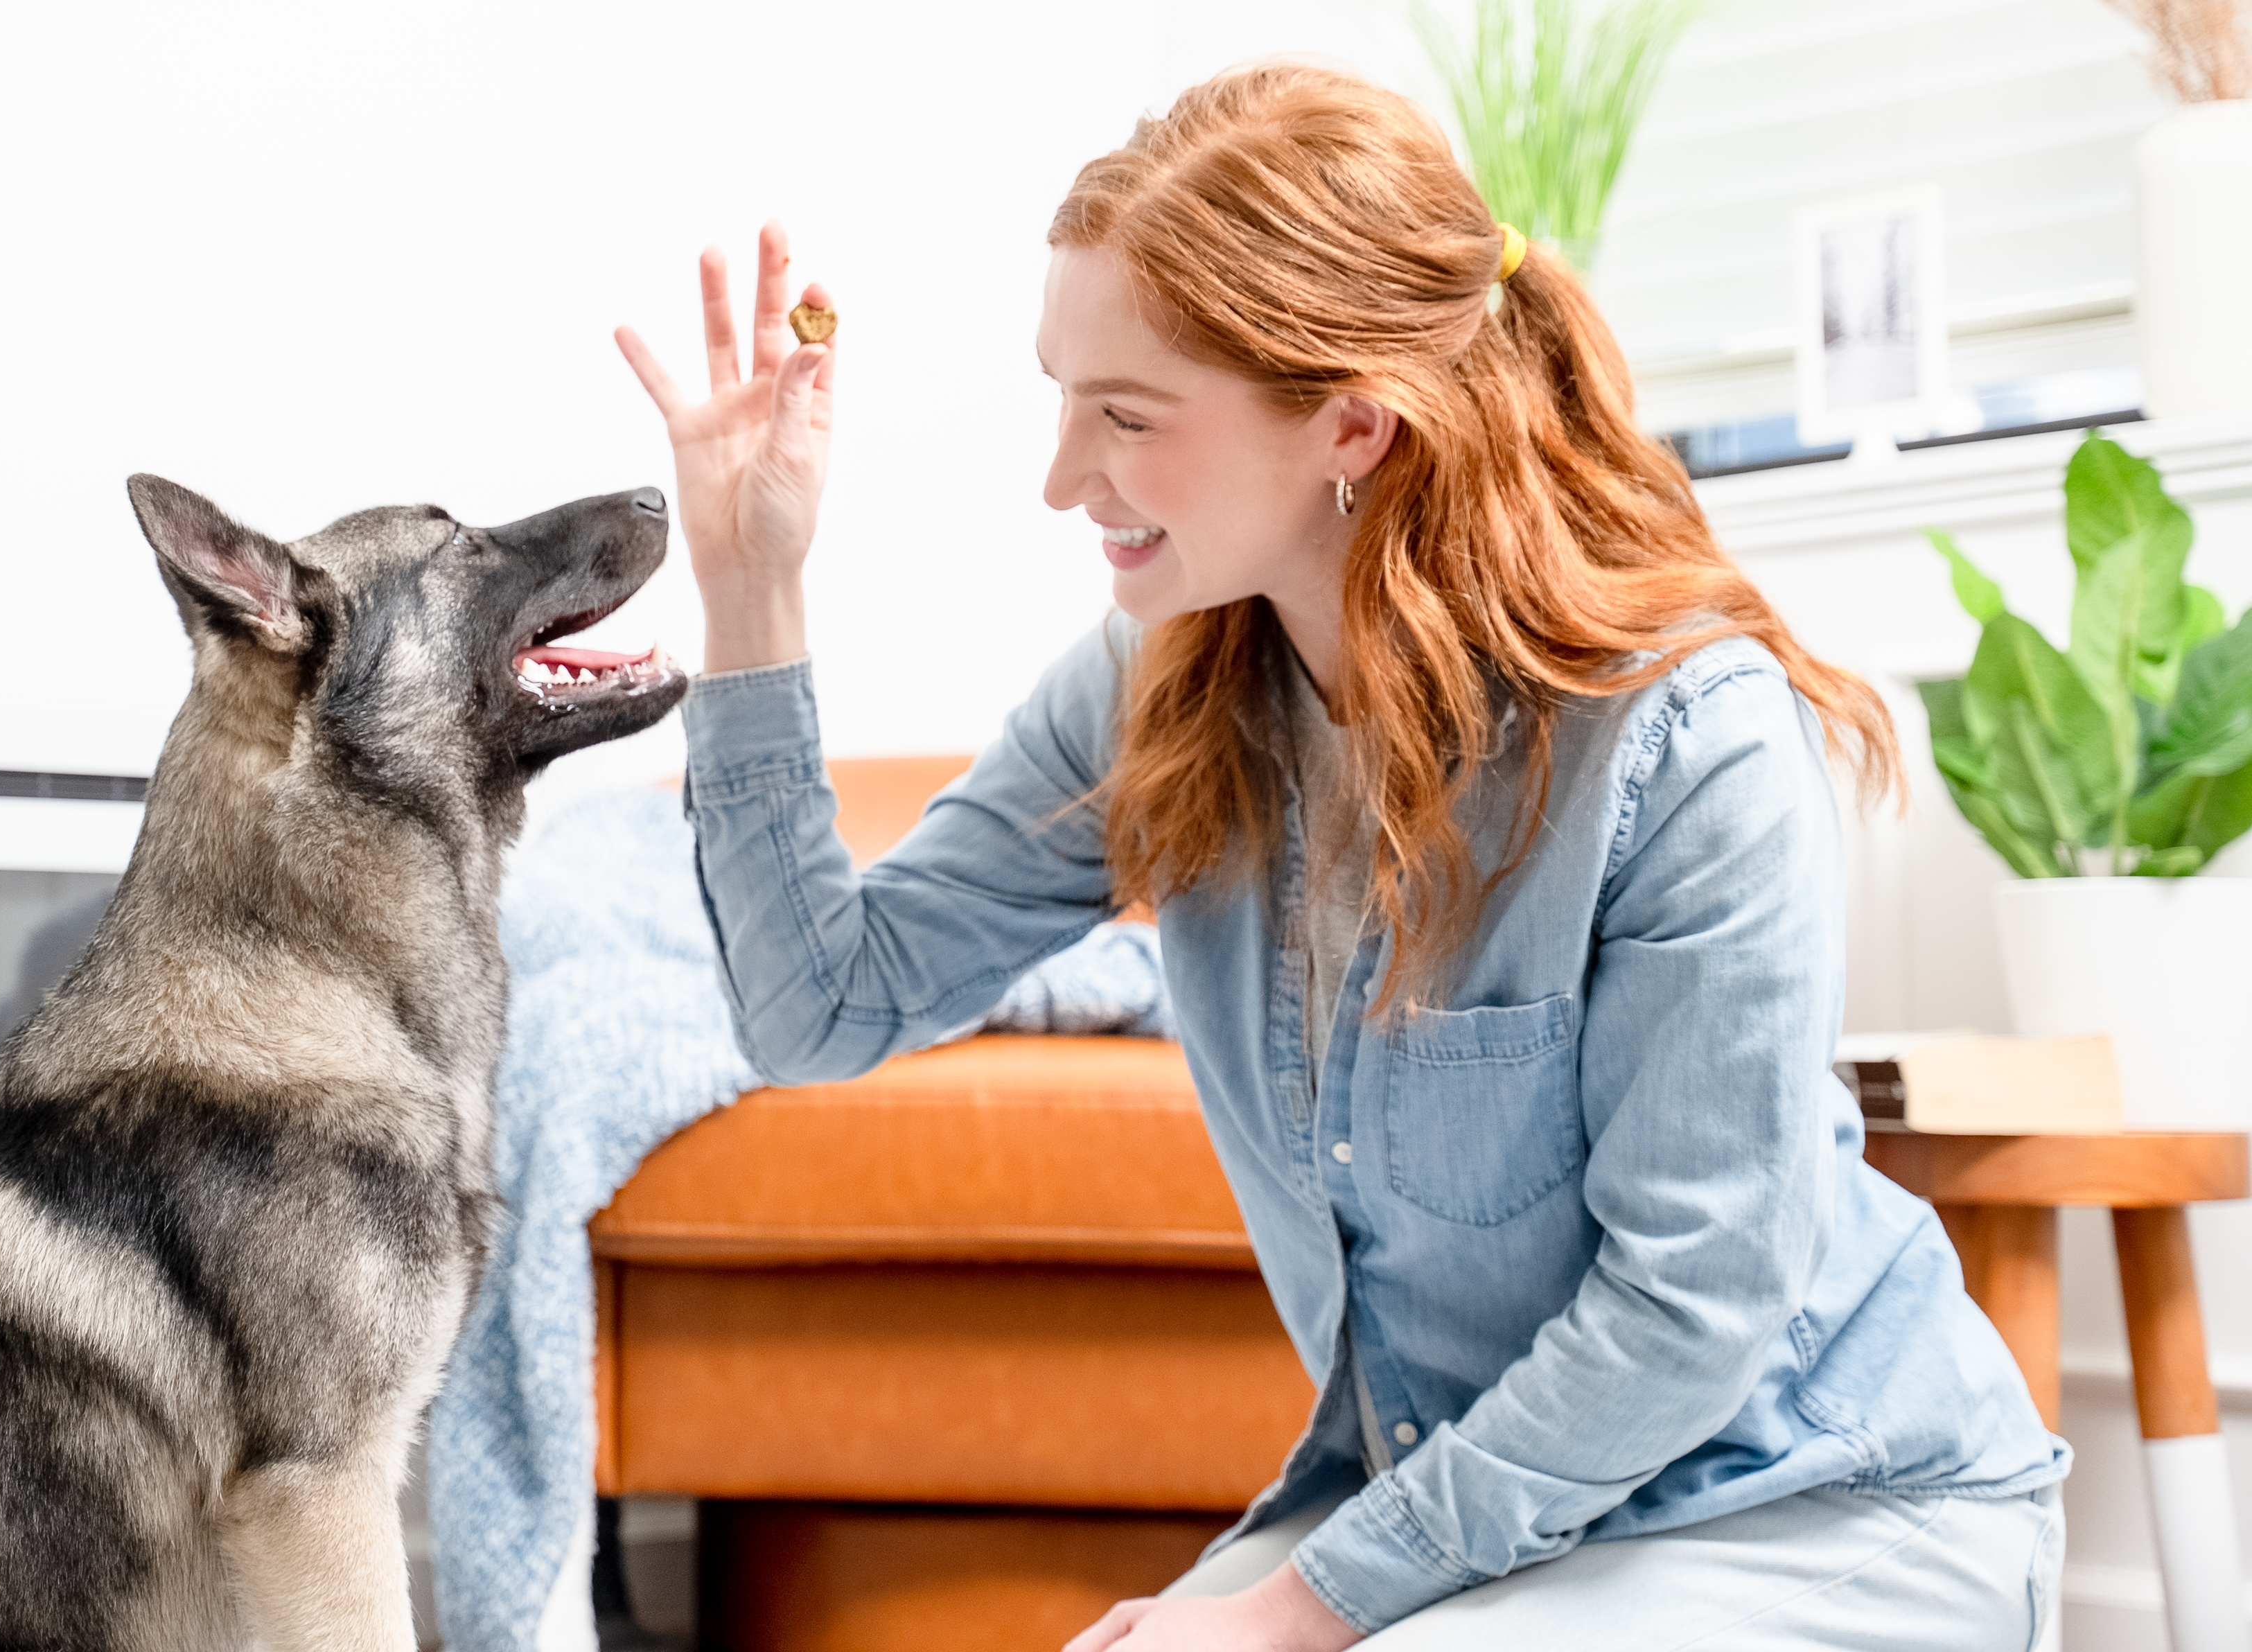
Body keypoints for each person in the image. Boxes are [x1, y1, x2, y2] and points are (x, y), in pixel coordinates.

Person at [615, 62, 2064, 1652]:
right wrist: (750, 582)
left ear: (1348, 424)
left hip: (1812, 1500)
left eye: (1124, 416)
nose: (1058, 477)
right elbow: (820, 1008)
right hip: (1466, 1501)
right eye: (1061, 396)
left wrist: (1300, 1609)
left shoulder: (1686, 739)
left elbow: (1690, 1310)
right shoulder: (1156, 686)